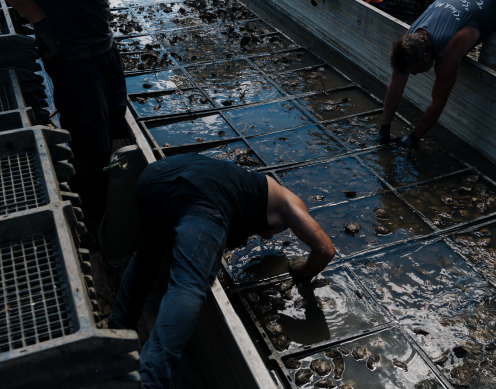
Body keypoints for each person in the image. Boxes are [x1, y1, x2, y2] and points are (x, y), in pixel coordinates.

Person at [108, 153, 335, 388]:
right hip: (203, 199)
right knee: (189, 286)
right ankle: (149, 381)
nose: (265, 236)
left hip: (156, 176)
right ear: (276, 223)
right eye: (270, 233)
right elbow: (326, 250)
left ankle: (116, 332)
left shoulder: (248, 183)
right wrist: (303, 273)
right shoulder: (291, 203)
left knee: (146, 257)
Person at [8, 0, 127, 222]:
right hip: (75, 59)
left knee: (112, 126)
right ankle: (88, 214)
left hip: (103, 46)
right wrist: (42, 24)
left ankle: (105, 193)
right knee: (88, 143)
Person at [379, 0, 496, 147]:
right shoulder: (408, 40)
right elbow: (396, 86)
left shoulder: (447, 55)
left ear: (426, 56)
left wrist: (413, 138)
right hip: (470, 13)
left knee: (487, 75)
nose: (413, 74)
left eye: (413, 70)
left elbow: (438, 103)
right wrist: (384, 130)